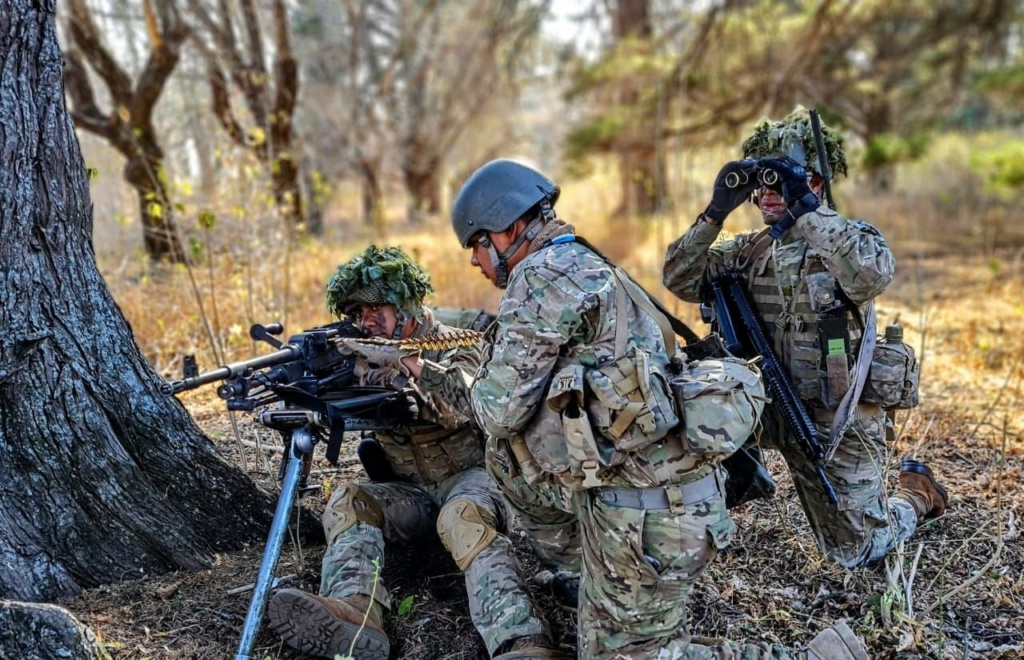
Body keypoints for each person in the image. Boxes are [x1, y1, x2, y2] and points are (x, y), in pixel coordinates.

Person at [451, 158, 868, 659]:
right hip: (651, 491)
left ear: (509, 228)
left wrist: (464, 365)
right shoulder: (579, 256)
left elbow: (497, 411)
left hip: (654, 517)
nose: (476, 261)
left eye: (476, 244)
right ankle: (589, 574)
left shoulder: (541, 276)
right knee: (508, 460)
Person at [662, 107, 949, 570]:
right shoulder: (746, 251)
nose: (768, 193)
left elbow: (870, 275)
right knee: (680, 426)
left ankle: (916, 497)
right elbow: (677, 277)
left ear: (816, 182)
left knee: (855, 552)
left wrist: (808, 207)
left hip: (833, 421)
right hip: (762, 407)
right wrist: (716, 211)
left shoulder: (847, 241)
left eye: (782, 181)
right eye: (762, 183)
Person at [267, 245, 563, 660]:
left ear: (406, 307)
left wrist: (412, 367)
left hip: (474, 480)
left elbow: (473, 401)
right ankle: (354, 611)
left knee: (461, 518)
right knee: (350, 499)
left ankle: (523, 640)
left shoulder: (456, 343)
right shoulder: (361, 353)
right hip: (411, 495)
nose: (366, 321)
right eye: (357, 313)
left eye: (376, 310)